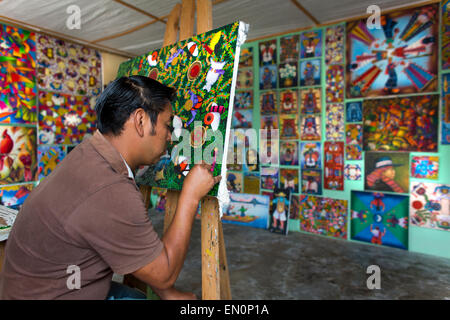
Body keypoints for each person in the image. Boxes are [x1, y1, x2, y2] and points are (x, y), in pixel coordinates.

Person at [0, 76, 221, 300]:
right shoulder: (109, 187)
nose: (170, 136)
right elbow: (163, 274)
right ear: (141, 121)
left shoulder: (89, 153)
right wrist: (190, 196)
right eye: (167, 125)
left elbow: (117, 241)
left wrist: (167, 292)